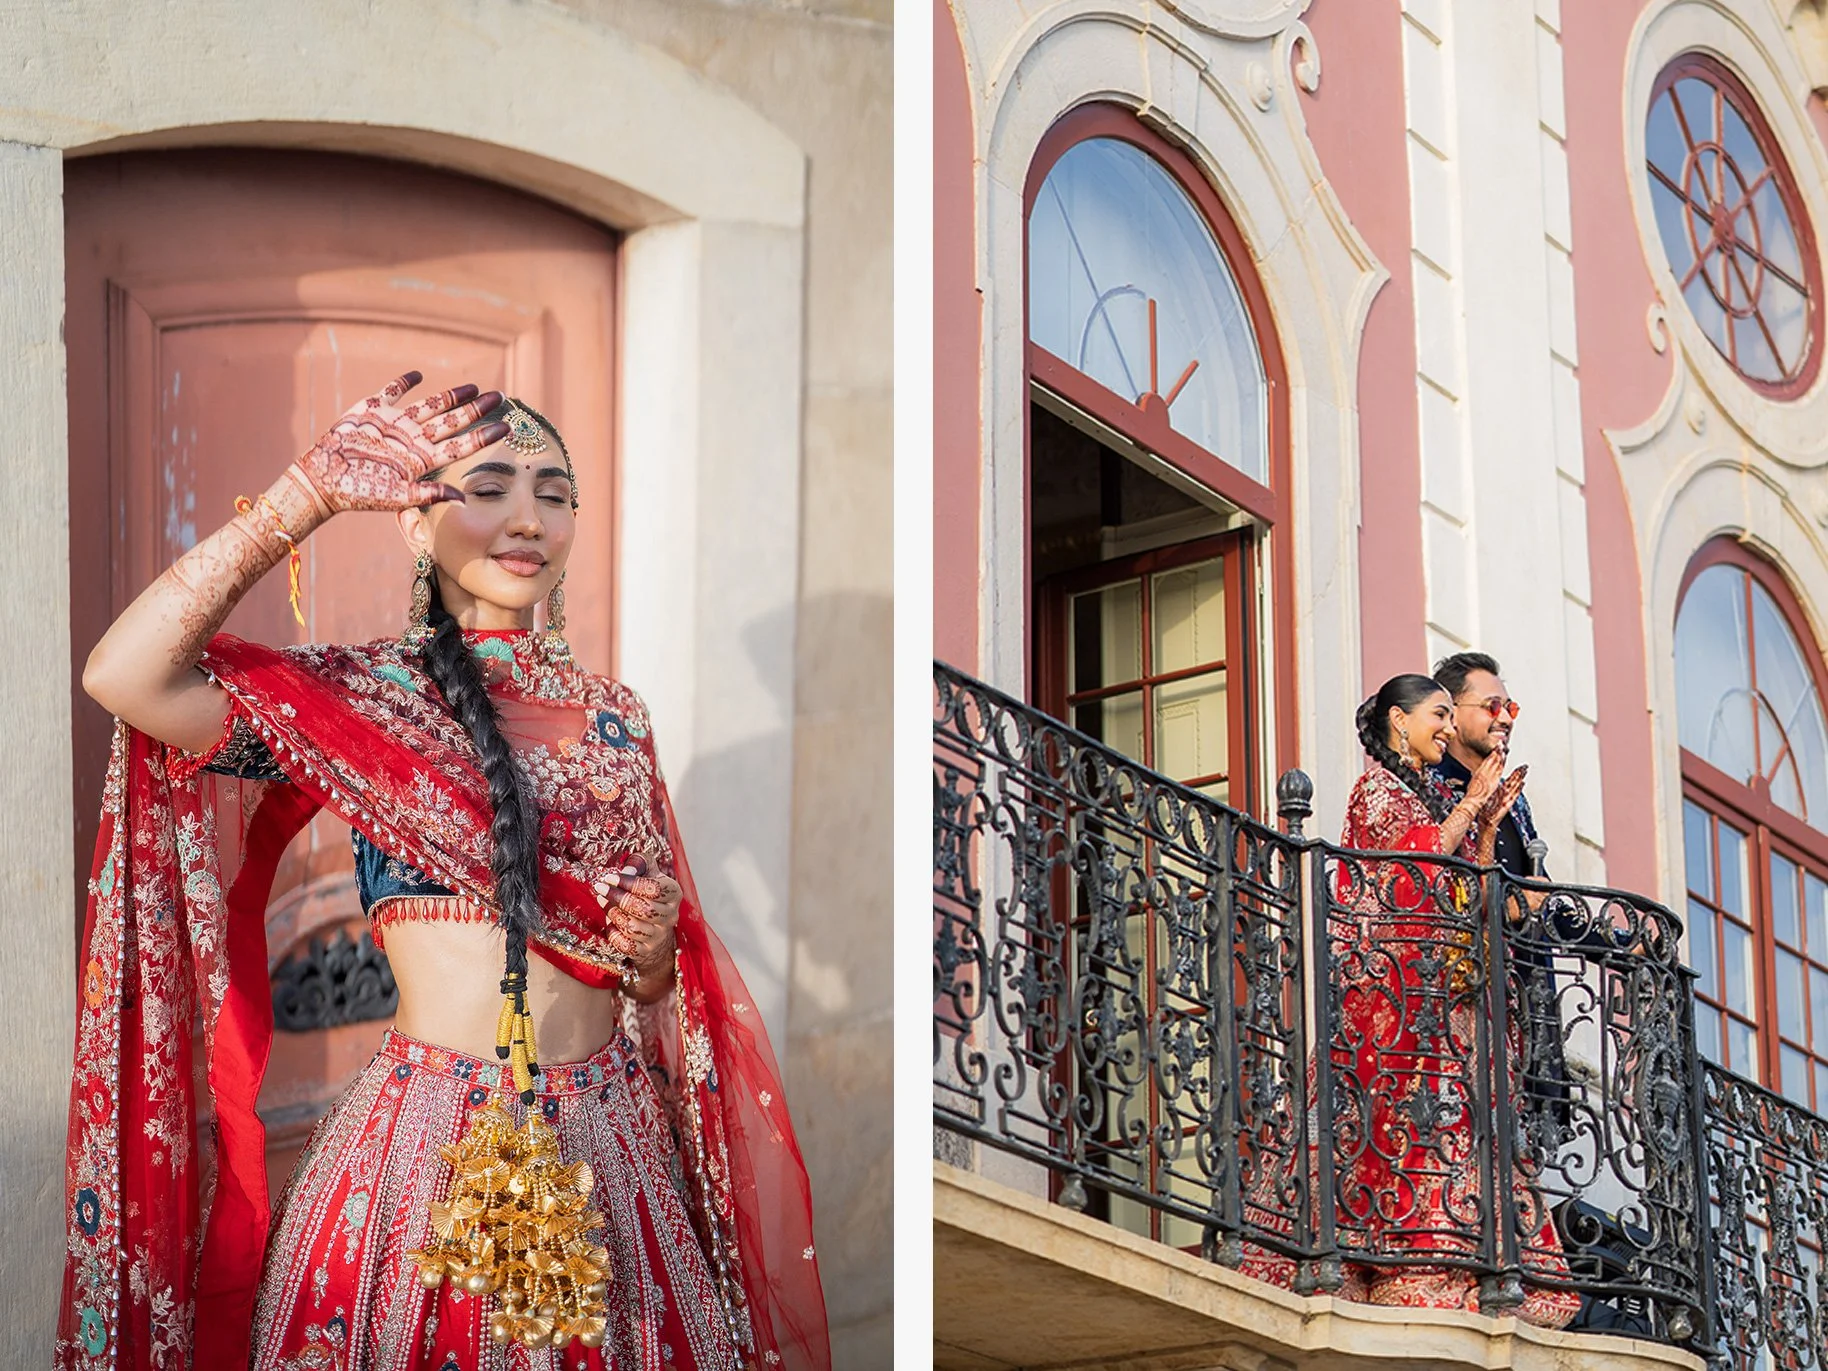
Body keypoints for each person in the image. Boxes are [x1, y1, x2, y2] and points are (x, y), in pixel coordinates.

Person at [59, 374, 830, 1370]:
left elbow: (643, 982)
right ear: (415, 525)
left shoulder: (616, 719)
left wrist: (648, 952)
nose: (529, 519)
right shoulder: (367, 702)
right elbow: (124, 675)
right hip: (423, 1155)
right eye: (491, 488)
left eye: (555, 495)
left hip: (612, 1158)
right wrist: (307, 496)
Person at [1241, 674, 1580, 1325]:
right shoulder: (1378, 789)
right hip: (1392, 993)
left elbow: (1462, 888)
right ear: (1400, 720)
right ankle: (1394, 1262)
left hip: (1445, 994)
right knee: (1396, 1119)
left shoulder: (1433, 798)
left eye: (1452, 716)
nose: (1448, 729)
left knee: (1453, 1124)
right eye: (1439, 715)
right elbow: (1413, 865)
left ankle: (1458, 1261)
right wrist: (1471, 805)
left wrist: (1488, 826)